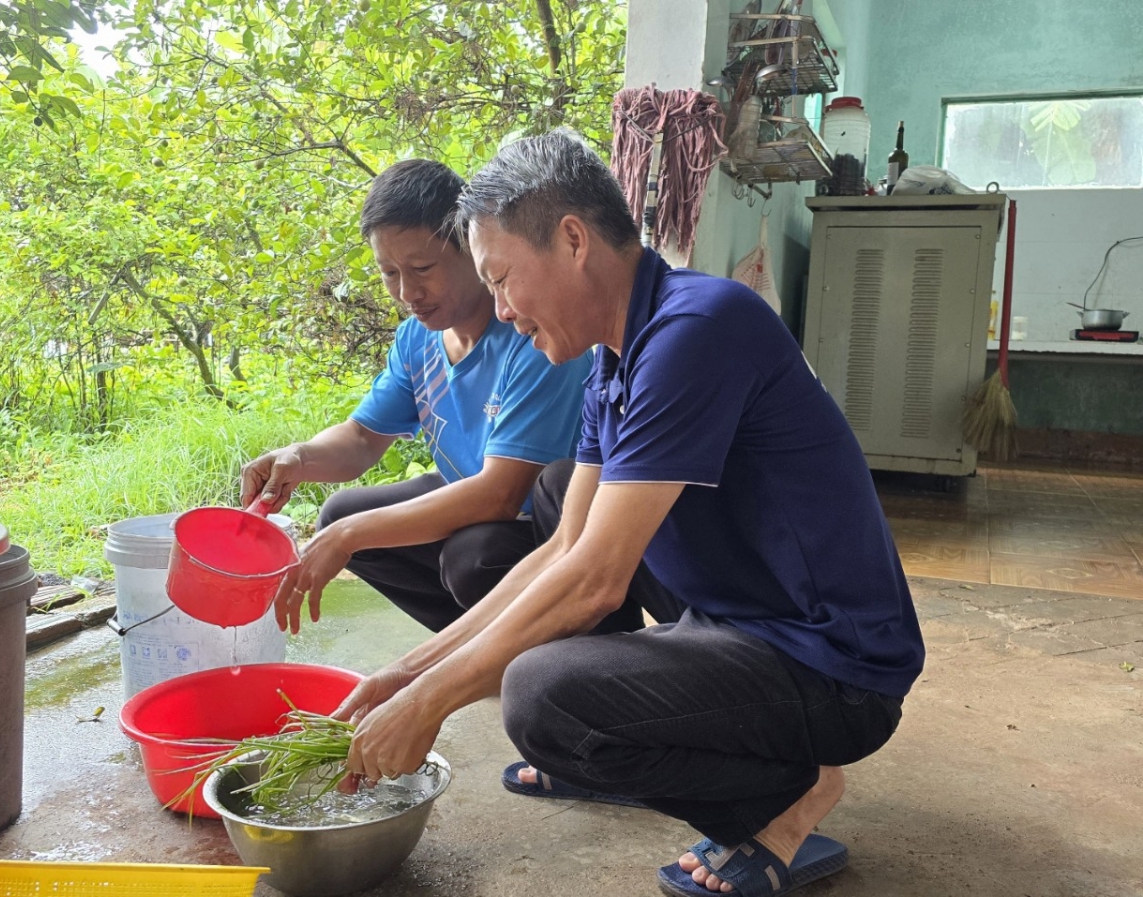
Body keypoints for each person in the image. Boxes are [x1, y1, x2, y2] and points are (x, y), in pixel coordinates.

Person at [332, 131, 926, 897]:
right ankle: (645, 741)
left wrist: (430, 703)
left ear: (573, 239)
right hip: (738, 617)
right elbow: (562, 549)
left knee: (541, 695)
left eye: (504, 279)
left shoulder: (696, 331)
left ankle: (788, 795)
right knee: (555, 506)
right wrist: (403, 675)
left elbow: (594, 584)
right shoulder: (614, 358)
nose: (504, 309)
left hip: (835, 666)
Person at [241, 159, 594, 636]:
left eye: (423, 269)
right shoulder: (418, 339)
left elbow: (500, 496)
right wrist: (298, 458)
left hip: (551, 527)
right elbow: (364, 439)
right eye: (389, 273)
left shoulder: (533, 333)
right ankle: (471, 644)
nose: (408, 292)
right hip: (476, 500)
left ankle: (540, 646)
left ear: (473, 249)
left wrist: (347, 539)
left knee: (472, 557)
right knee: (342, 513)